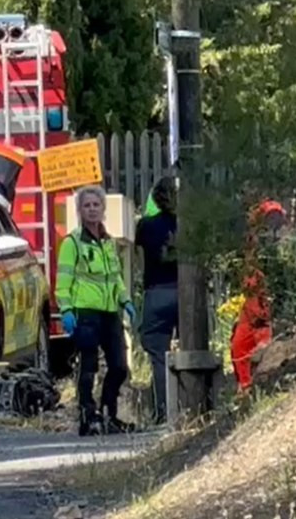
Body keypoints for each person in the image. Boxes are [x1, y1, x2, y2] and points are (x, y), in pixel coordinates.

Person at [57, 185, 136, 436]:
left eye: (96, 205)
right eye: (87, 205)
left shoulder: (108, 243)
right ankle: (87, 416)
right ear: (79, 210)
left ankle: (109, 414)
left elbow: (115, 278)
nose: (92, 209)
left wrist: (125, 301)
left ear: (103, 209)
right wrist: (66, 310)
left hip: (109, 312)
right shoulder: (72, 243)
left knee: (119, 366)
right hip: (85, 313)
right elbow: (63, 281)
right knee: (88, 367)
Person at [230, 199, 286, 393]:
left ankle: (259, 389)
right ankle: (245, 389)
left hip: (266, 311)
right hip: (251, 306)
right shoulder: (251, 242)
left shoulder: (280, 249)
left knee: (266, 351)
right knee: (238, 346)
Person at [135, 177, 178, 424]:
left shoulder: (146, 226)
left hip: (157, 291)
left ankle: (163, 411)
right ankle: (192, 406)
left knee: (157, 350)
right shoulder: (188, 225)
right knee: (189, 348)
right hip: (184, 293)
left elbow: (138, 253)